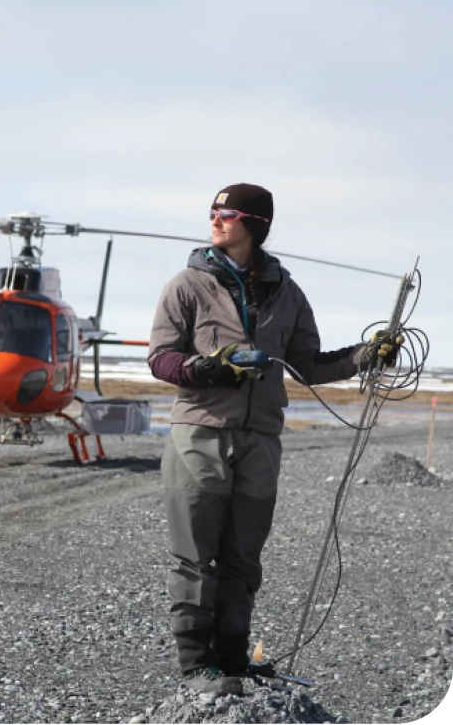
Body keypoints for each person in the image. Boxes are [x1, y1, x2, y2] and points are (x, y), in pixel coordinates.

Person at [146, 183, 401, 696]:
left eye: (226, 212)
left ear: (255, 224)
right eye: (212, 210)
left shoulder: (289, 292)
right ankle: (198, 668)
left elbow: (307, 365)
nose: (215, 219)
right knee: (196, 556)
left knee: (243, 558)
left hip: (261, 438)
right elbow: (160, 359)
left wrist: (365, 356)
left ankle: (234, 662)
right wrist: (210, 367)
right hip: (200, 431)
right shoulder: (186, 285)